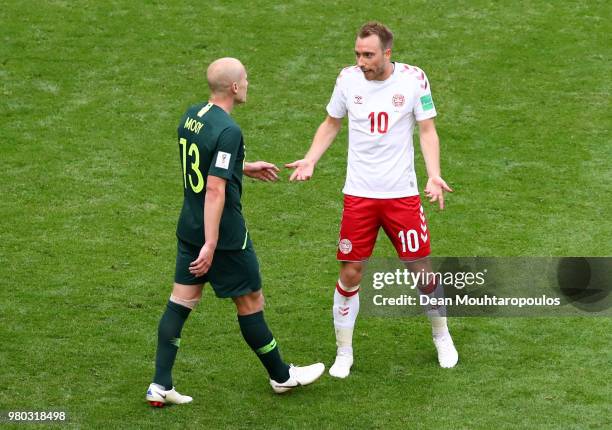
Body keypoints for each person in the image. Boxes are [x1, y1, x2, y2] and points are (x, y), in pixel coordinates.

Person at [146, 57, 324, 407]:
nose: (248, 84)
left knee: (180, 302)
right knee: (250, 301)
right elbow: (215, 188)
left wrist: (244, 167)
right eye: (246, 79)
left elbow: (206, 162)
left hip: (189, 226)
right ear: (235, 87)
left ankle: (160, 384)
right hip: (224, 236)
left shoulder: (192, 115)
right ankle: (281, 376)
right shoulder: (230, 130)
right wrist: (213, 243)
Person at [286, 22, 458, 379]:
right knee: (350, 273)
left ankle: (442, 337)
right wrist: (310, 158)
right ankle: (344, 352)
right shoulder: (347, 79)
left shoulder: (413, 79)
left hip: (402, 196)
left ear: (387, 54)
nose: (361, 61)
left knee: (421, 272)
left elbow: (427, 129)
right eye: (358, 54)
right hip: (360, 196)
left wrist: (434, 173)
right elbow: (332, 122)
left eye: (368, 55)